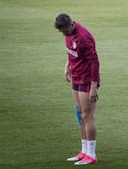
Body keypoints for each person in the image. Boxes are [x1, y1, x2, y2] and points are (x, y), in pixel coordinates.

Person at [54, 13, 100, 165]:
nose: (64, 34)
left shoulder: (83, 37)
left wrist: (94, 87)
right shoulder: (68, 33)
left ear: (70, 24)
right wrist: (68, 65)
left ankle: (92, 155)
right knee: (79, 113)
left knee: (88, 115)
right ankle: (84, 151)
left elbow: (95, 62)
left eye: (65, 31)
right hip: (76, 76)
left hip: (87, 80)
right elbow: (72, 52)